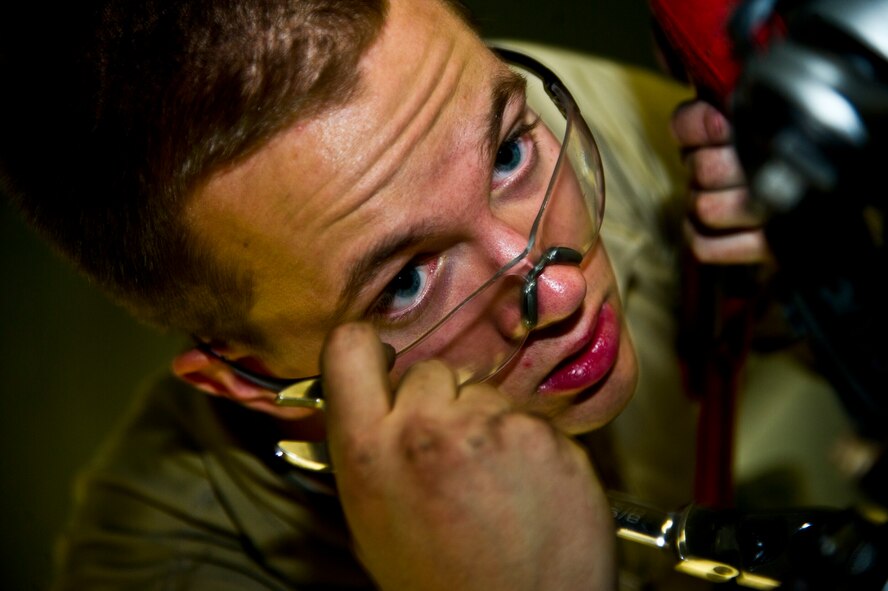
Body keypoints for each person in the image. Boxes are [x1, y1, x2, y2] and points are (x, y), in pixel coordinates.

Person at [2, 0, 814, 589]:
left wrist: (836, 254)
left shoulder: (563, 123)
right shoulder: (163, 565)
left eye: (503, 156)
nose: (559, 287)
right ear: (248, 384)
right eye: (406, 282)